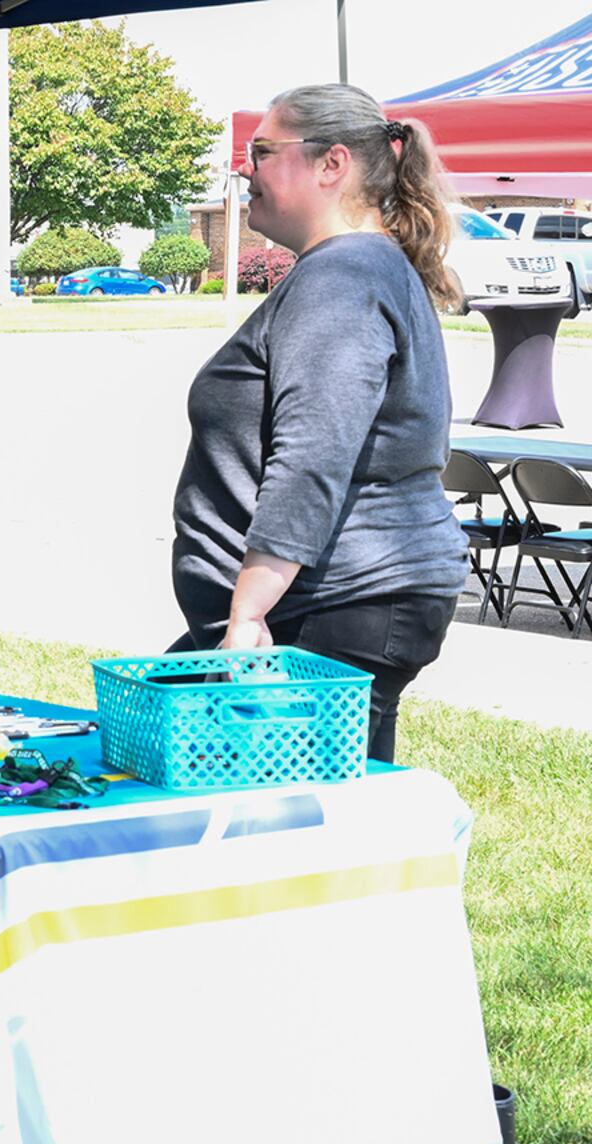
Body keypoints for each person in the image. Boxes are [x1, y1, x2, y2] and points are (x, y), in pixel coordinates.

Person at [171, 83, 469, 762]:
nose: (242, 170)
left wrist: (245, 616)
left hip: (331, 609)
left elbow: (313, 456)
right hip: (331, 603)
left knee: (283, 835)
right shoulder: (358, 268)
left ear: (331, 164)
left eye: (262, 152)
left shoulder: (342, 277)